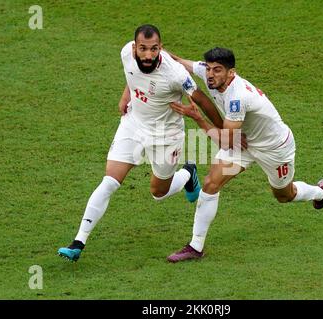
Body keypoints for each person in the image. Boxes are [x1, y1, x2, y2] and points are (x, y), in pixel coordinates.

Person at [57, 25, 223, 262]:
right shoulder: (126, 52)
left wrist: (223, 128)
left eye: (153, 49)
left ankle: (188, 174)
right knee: (109, 181)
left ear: (160, 48)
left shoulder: (175, 74)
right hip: (133, 124)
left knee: (158, 192)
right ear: (135, 47)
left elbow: (202, 100)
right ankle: (78, 242)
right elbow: (131, 74)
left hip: (166, 135)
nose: (148, 55)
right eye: (143, 49)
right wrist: (127, 95)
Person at [166, 47, 323, 262]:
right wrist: (157, 53)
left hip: (274, 148)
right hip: (243, 144)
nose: (210, 75)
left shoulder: (238, 97)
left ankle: (319, 193)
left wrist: (197, 118)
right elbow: (178, 61)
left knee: (284, 195)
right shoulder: (210, 76)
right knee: (211, 183)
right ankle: (195, 247)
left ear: (231, 73)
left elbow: (225, 139)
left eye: (217, 70)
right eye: (208, 69)